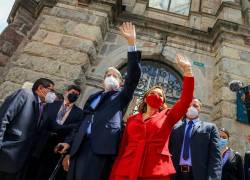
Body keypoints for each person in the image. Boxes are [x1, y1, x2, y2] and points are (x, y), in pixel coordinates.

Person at [56, 22, 142, 180]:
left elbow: (134, 76)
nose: (110, 77)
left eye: (114, 75)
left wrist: (131, 44)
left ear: (121, 82)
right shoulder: (93, 97)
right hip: (79, 148)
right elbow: (82, 122)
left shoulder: (121, 95)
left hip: (99, 150)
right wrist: (69, 144)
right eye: (107, 75)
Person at [110, 54, 194, 180]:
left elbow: (185, 100)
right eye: (152, 93)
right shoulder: (132, 119)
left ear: (163, 102)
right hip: (126, 167)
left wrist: (188, 71)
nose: (156, 96)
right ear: (145, 98)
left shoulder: (168, 116)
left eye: (160, 95)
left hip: (155, 170)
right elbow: (123, 147)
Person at [0, 78, 56, 180]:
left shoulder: (42, 107)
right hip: (6, 152)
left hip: (18, 161)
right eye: (51, 91)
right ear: (40, 88)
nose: (53, 95)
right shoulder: (25, 94)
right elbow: (3, 118)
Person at [34, 85, 84, 180]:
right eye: (72, 93)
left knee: (46, 172)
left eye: (77, 95)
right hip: (42, 141)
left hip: (58, 146)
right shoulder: (52, 103)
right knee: (33, 167)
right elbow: (45, 119)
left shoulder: (79, 113)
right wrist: (64, 127)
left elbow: (75, 129)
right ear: (66, 92)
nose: (74, 95)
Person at [169, 98, 222, 180]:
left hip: (198, 175)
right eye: (188, 106)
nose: (191, 108)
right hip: (175, 174)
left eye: (195, 106)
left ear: (200, 108)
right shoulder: (175, 127)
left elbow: (215, 158)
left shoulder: (210, 128)